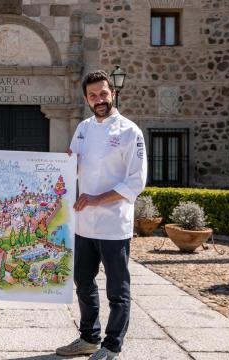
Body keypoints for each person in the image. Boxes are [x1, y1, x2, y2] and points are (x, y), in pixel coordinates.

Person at [56, 70, 147, 360]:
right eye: (93, 95)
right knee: (83, 281)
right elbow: (73, 164)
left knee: (117, 290)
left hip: (113, 224)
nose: (99, 100)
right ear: (86, 98)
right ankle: (89, 338)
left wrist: (97, 198)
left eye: (103, 94)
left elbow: (136, 181)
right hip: (84, 223)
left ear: (113, 93)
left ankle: (112, 346)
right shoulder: (83, 128)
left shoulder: (130, 132)